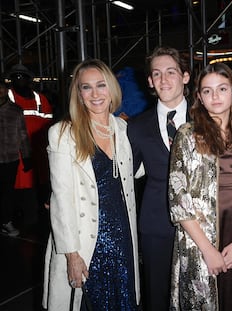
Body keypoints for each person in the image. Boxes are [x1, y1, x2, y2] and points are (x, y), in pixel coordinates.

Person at [42, 59, 140, 310]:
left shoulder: (124, 128)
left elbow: (138, 170)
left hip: (123, 236)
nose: (95, 94)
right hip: (86, 241)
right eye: (86, 87)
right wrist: (71, 255)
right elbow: (60, 198)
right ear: (79, 93)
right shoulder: (63, 133)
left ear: (113, 89)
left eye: (101, 85)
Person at [168, 63, 232, 310]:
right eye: (207, 91)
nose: (215, 96)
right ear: (199, 96)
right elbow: (178, 199)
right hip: (198, 241)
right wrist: (208, 250)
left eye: (222, 89)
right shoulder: (187, 134)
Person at [127, 46, 191, 311]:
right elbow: (127, 172)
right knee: (157, 295)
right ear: (150, 81)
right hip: (156, 222)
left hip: (203, 221)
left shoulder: (208, 118)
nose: (164, 80)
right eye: (157, 74)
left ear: (185, 76)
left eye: (171, 72)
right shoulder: (136, 126)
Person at [7, 64, 53, 226]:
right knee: (16, 186)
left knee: (39, 185)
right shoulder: (6, 97)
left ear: (29, 79)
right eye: (15, 76)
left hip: (39, 151)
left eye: (22, 76)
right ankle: (17, 218)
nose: (19, 79)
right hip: (13, 151)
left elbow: (49, 123)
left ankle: (33, 219)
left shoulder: (41, 99)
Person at [0, 79, 31, 236]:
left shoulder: (16, 110)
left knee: (8, 193)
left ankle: (6, 221)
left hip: (10, 159)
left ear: (6, 90)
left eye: (2, 88)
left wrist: (27, 157)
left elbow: (23, 135)